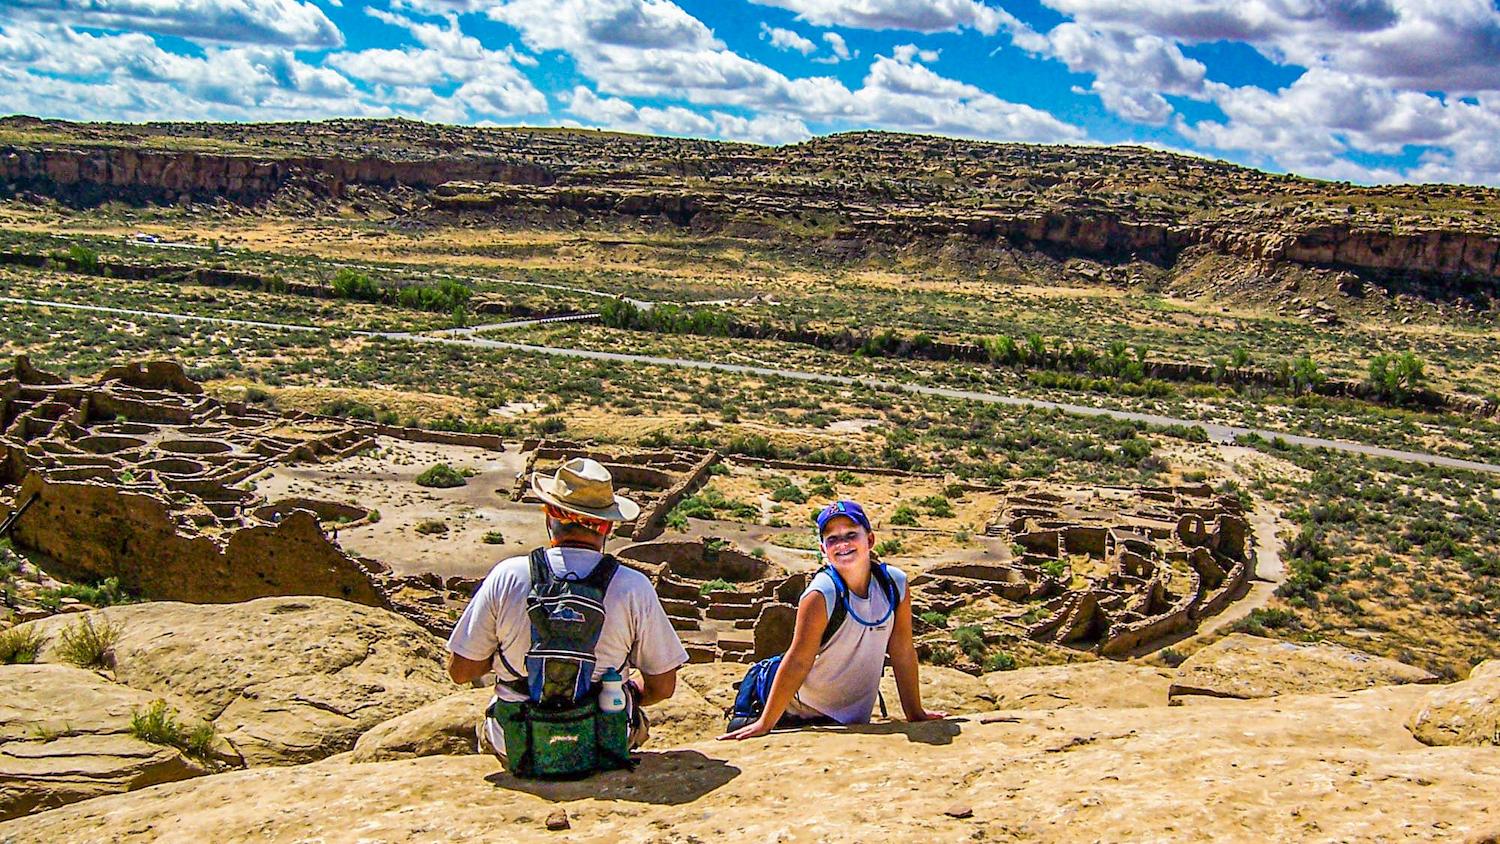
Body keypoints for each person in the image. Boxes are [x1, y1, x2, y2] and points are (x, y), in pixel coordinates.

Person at [447, 457, 689, 769]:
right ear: (609, 525)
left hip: (517, 743)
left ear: (549, 514)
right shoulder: (633, 587)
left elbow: (461, 671)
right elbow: (663, 686)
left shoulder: (508, 575)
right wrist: (619, 691)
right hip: (600, 743)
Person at [719, 499, 945, 740]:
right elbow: (798, 660)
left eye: (851, 534)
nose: (843, 544)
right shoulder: (821, 594)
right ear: (823, 549)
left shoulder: (894, 585)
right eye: (833, 539)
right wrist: (765, 724)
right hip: (800, 713)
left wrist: (914, 712)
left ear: (869, 540)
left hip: (853, 718)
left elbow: (902, 649)